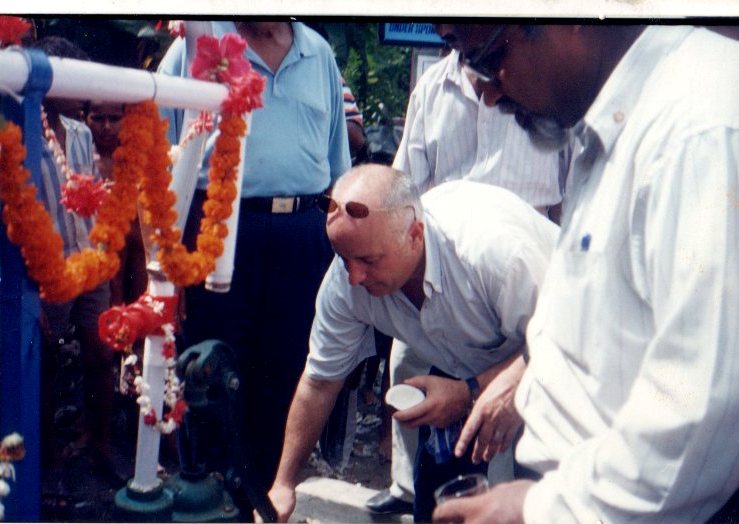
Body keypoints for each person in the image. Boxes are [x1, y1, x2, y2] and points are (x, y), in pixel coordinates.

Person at [433, 24, 739, 524]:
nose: (487, 93)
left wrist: (541, 509)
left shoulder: (696, 127)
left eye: (484, 57)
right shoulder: (613, 123)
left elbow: (707, 412)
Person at [266, 165, 559, 522]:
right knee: (439, 505)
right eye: (345, 259)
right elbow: (320, 381)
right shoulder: (346, 280)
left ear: (415, 234)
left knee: (544, 502)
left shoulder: (493, 253)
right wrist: (283, 483)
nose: (355, 277)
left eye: (369, 261)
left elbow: (567, 339)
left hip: (561, 359)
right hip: (464, 362)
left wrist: (471, 393)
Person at [367, 38, 565, 516]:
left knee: (525, 403)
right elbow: (403, 183)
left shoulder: (548, 88)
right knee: (410, 376)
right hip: (439, 259)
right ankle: (413, 489)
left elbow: (571, 189)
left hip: (519, 265)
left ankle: (521, 497)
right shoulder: (434, 86)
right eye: (451, 35)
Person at [157, 20, 351, 506]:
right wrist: (167, 266)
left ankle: (265, 501)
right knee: (211, 368)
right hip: (219, 226)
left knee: (288, 371)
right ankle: (212, 500)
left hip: (301, 232)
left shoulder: (318, 54)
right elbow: (162, 160)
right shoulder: (197, 42)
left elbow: (337, 161)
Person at [28, 37, 122, 501]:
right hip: (41, 277)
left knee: (100, 357)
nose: (83, 92)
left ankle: (101, 449)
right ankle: (49, 467)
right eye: (73, 80)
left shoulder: (81, 133)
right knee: (43, 370)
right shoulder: (17, 130)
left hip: (90, 267)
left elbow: (95, 202)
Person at [85, 100, 147, 306]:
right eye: (98, 119)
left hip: (138, 253)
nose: (106, 127)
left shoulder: (139, 156)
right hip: (100, 257)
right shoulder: (81, 159)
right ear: (85, 118)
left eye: (114, 119)